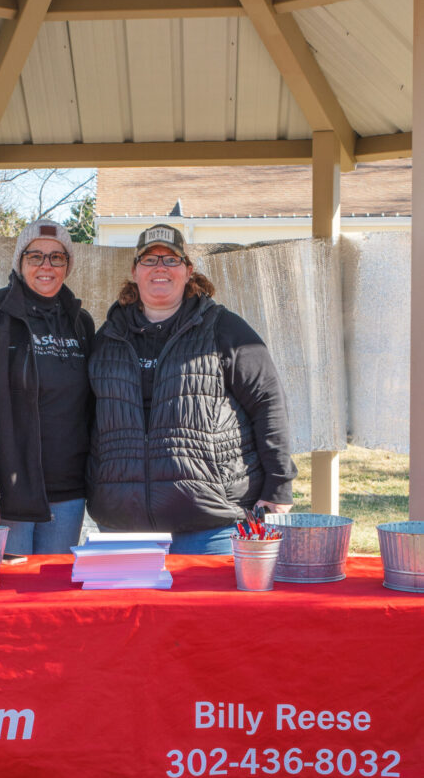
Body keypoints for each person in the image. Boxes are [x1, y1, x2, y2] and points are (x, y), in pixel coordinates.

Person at [86, 224, 296, 554]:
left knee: (207, 608)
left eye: (171, 260)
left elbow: (268, 405)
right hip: (122, 524)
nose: (160, 268)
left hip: (211, 524)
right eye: (149, 259)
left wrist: (279, 487)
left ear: (188, 270)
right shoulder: (108, 337)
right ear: (134, 270)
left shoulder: (225, 330)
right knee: (130, 609)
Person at [0, 219, 95, 554]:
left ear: (68, 265)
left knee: (50, 596)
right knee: (4, 599)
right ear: (20, 261)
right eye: (35, 256)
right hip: (7, 495)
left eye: (57, 257)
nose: (46, 265)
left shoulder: (80, 323)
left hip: (67, 496)